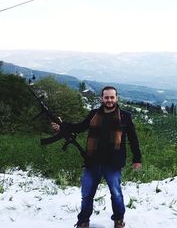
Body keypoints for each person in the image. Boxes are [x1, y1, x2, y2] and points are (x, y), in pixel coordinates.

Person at [52, 86, 142, 228]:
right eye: (106, 97)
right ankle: (83, 221)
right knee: (87, 194)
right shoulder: (94, 114)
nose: (109, 100)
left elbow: (133, 139)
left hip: (113, 163)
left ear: (116, 98)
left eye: (112, 97)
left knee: (116, 194)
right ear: (102, 98)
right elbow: (79, 127)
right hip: (92, 161)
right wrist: (62, 126)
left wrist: (137, 158)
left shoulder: (125, 116)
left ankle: (119, 220)